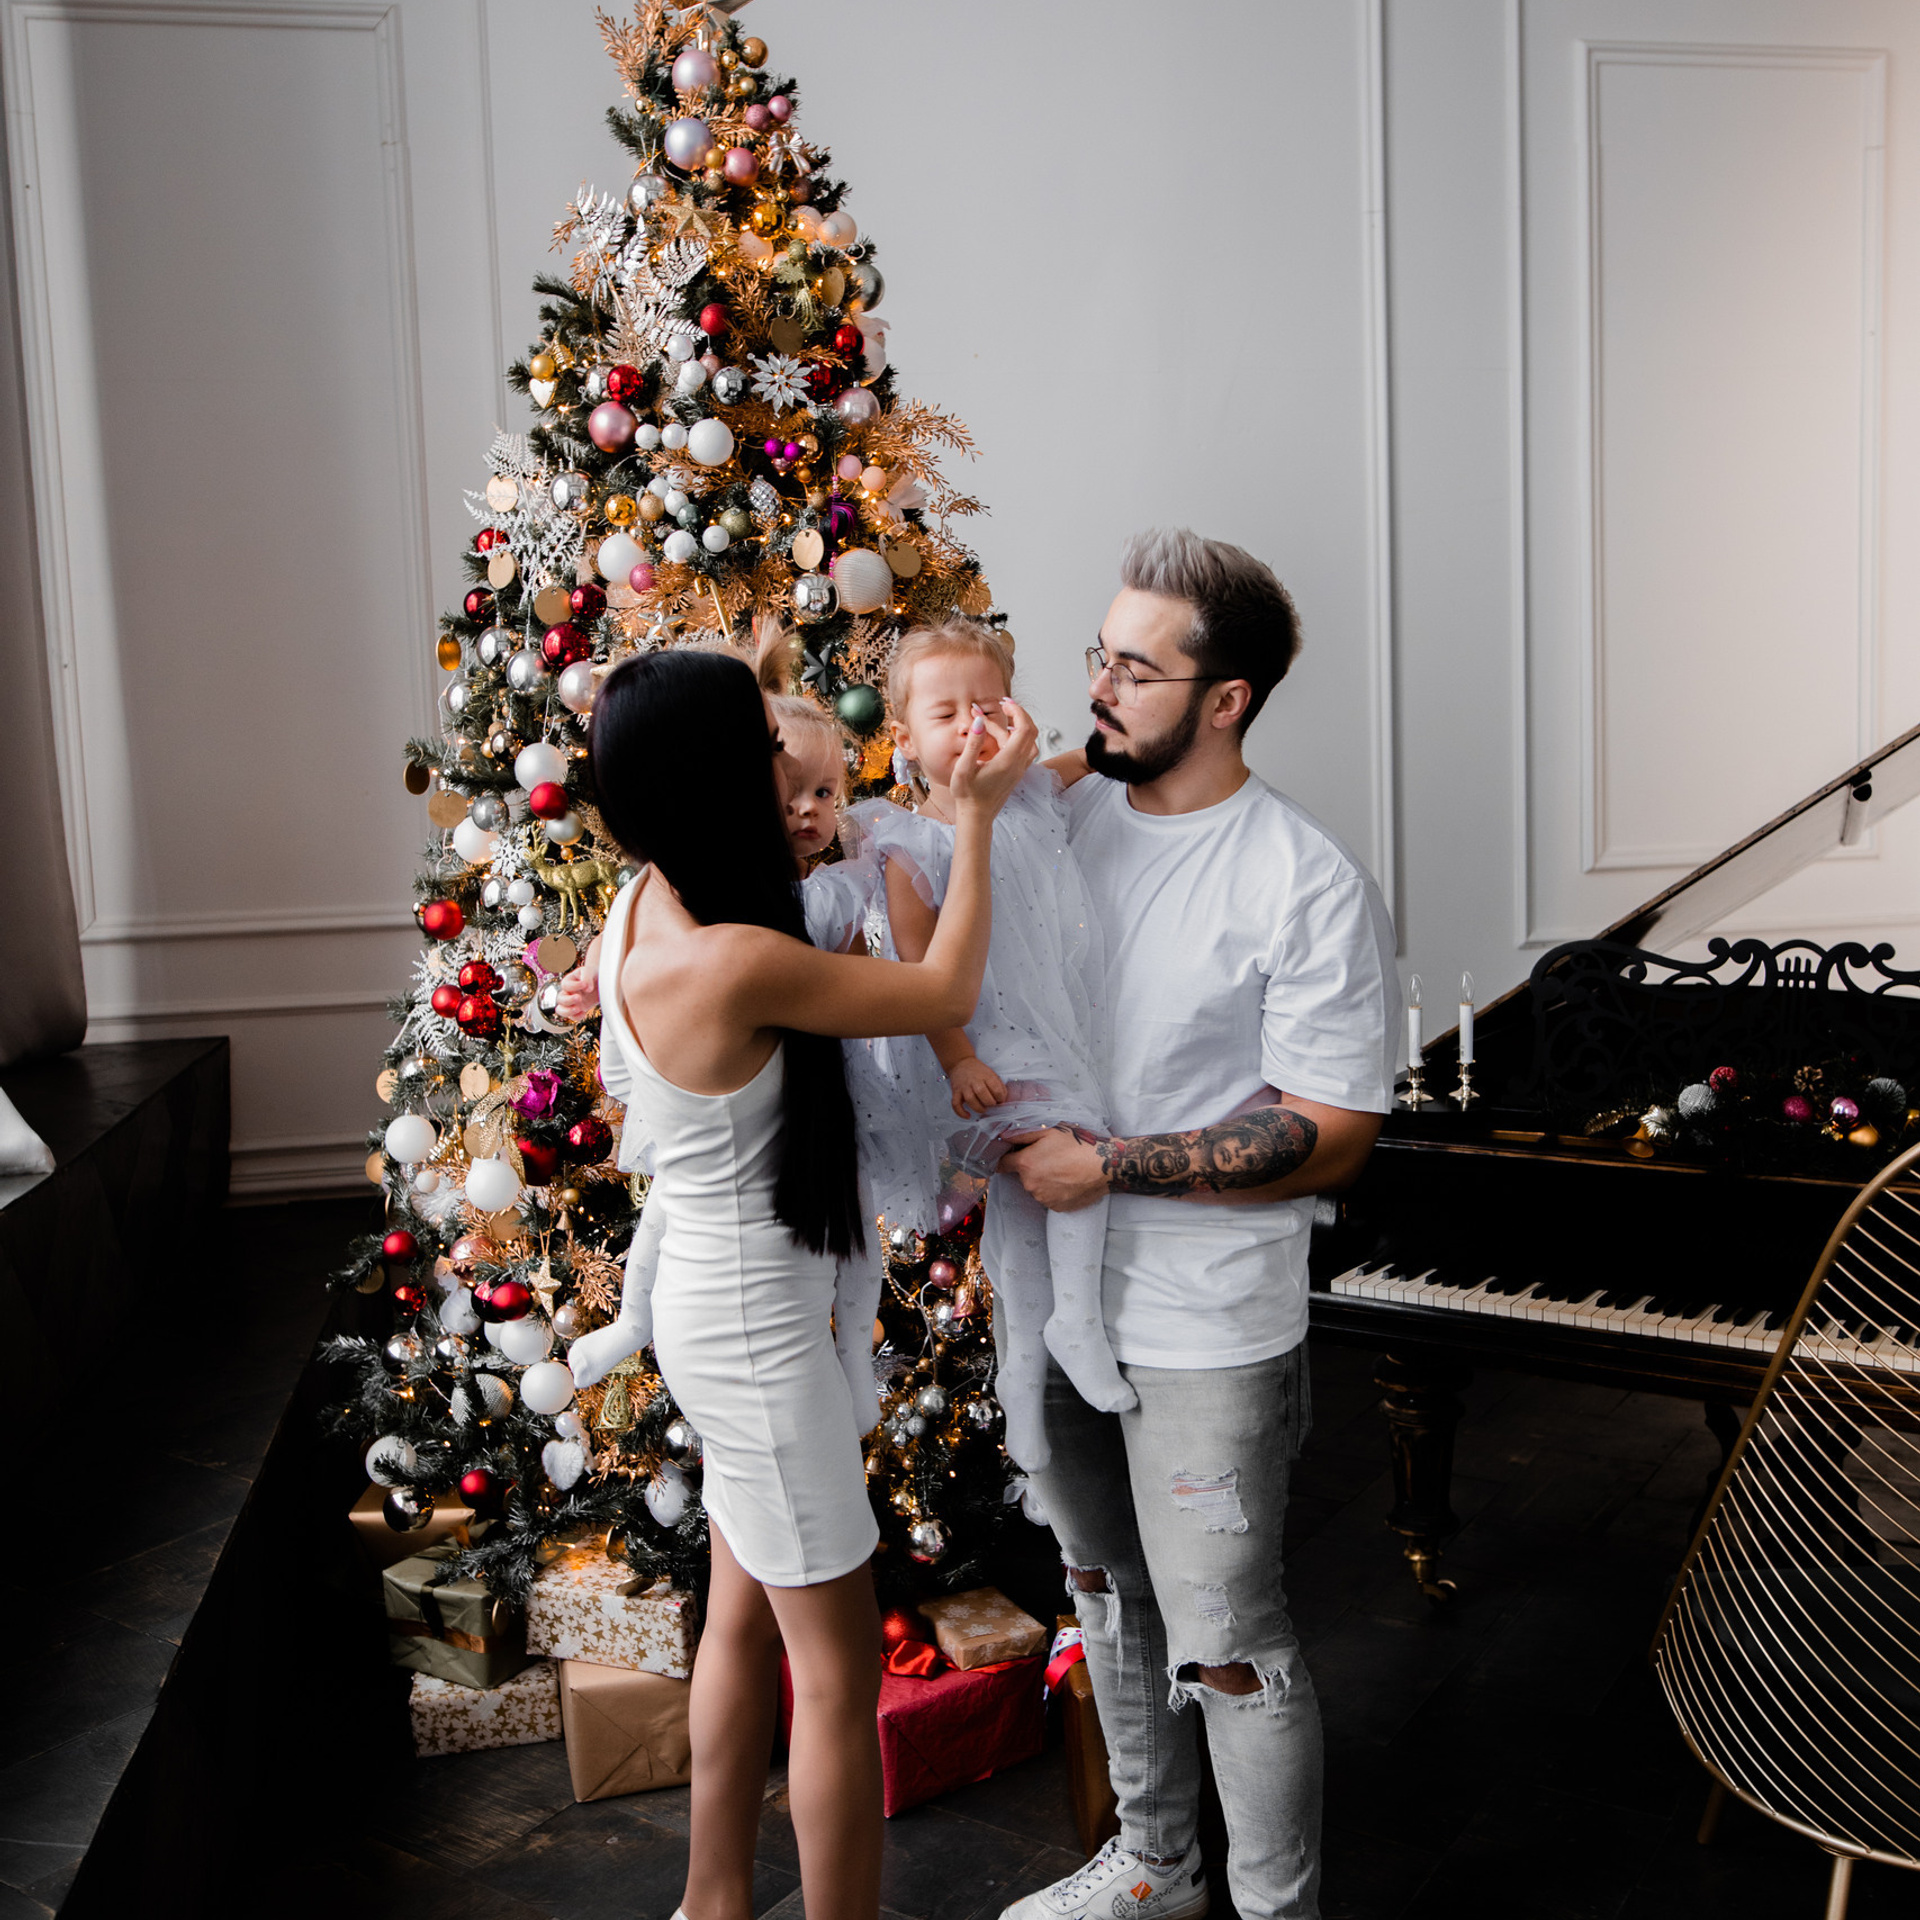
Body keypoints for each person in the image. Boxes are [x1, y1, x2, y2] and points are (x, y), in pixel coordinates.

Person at [564, 648, 1036, 1920]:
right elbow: (945, 990)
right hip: (762, 1347)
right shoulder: (729, 962)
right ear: (726, 779)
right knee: (833, 1677)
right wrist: (976, 818)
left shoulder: (648, 901)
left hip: (724, 1328)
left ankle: (712, 1903)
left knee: (739, 1622)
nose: (790, 766)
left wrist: (744, 675)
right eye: (765, 746)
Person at [996, 531, 1400, 1920]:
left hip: (1207, 1322)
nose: (1096, 689)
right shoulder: (1057, 812)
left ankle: (1278, 1908)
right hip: (1052, 1295)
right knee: (1103, 1594)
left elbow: (1331, 1131)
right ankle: (1155, 1872)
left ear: (1225, 698)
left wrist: (1110, 1165)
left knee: (1227, 1642)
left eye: (1134, 668)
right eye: (1095, 656)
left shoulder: (1303, 880)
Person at [828, 619, 1131, 1472]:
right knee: (1074, 1164)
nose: (969, 728)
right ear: (901, 737)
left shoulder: (1031, 790)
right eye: (945, 713)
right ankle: (1073, 1327)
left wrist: (1104, 736)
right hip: (979, 1056)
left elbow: (1102, 761)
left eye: (987, 707)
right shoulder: (906, 841)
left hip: (1051, 1039)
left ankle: (1027, 1393)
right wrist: (958, 1057)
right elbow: (920, 969)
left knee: (1029, 1228)